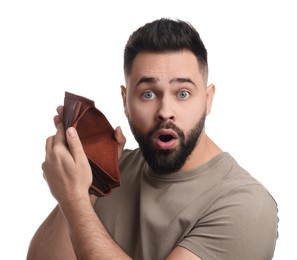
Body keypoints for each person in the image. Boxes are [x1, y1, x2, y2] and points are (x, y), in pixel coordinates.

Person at [27, 18, 278, 260]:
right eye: (148, 94)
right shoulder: (113, 172)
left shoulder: (247, 205)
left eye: (182, 93)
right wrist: (92, 184)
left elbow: (76, 208)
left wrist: (75, 201)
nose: (165, 111)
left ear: (208, 99)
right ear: (125, 101)